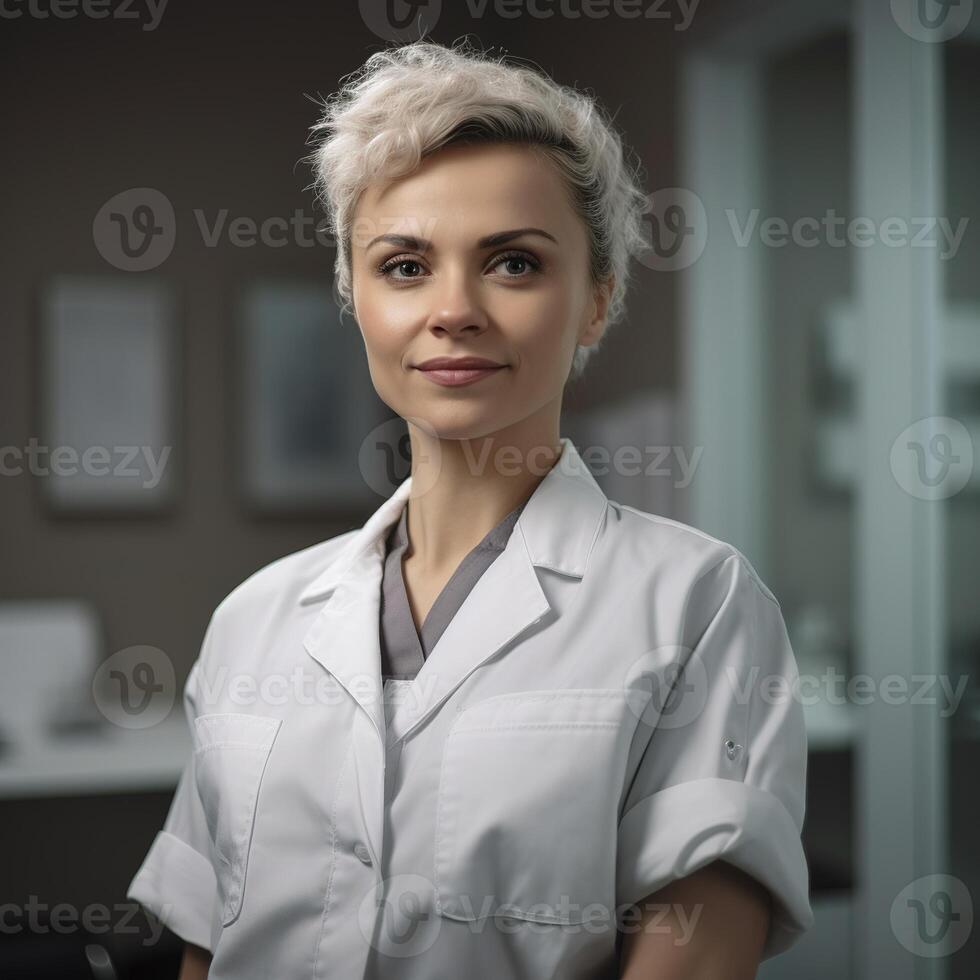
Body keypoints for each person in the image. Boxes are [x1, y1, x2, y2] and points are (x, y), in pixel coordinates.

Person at [127, 37, 813, 980]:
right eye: (404, 266)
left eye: (514, 264)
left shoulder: (698, 606)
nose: (453, 309)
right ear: (354, 297)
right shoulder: (252, 620)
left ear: (597, 301)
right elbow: (207, 948)